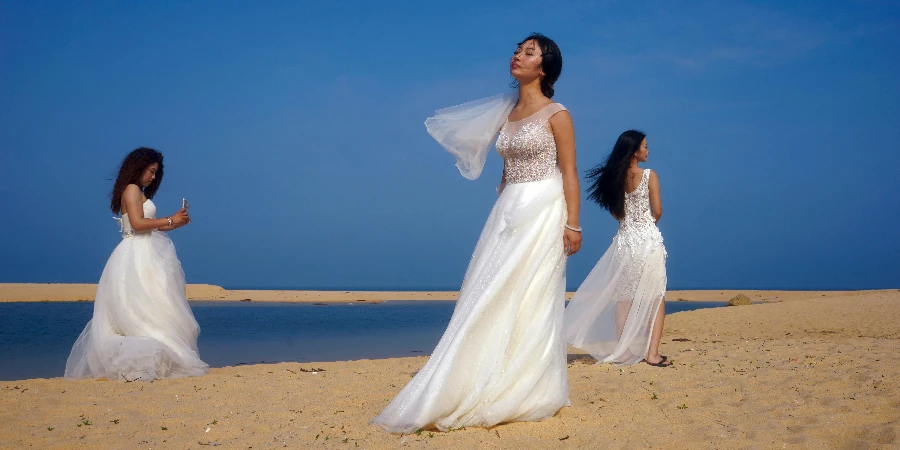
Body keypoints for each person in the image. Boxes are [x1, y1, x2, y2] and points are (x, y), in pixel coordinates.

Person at [371, 33, 581, 433]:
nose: (518, 55)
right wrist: (504, 203)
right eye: (517, 50)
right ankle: (480, 373)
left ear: (544, 66)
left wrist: (573, 223)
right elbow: (505, 168)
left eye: (529, 52)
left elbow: (569, 171)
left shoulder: (558, 114)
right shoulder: (507, 113)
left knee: (532, 292)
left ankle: (529, 382)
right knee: (488, 290)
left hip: (544, 208)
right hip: (508, 209)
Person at [65, 147, 209, 381]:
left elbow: (153, 224)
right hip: (136, 253)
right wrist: (171, 219)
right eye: (151, 171)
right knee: (143, 306)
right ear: (139, 166)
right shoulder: (131, 189)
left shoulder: (138, 191)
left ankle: (162, 352)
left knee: (154, 304)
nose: (153, 177)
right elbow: (138, 223)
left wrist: (176, 221)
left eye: (156, 173)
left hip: (145, 251)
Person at [563, 130, 670, 367]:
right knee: (656, 297)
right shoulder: (650, 175)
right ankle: (652, 354)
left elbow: (615, 212)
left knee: (624, 298)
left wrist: (628, 223)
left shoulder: (616, 179)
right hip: (646, 240)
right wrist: (646, 224)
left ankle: (623, 351)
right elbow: (658, 211)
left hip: (624, 241)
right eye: (645, 146)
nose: (648, 150)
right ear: (634, 152)